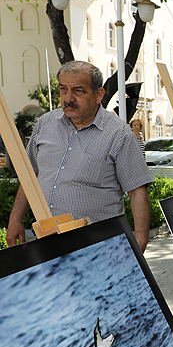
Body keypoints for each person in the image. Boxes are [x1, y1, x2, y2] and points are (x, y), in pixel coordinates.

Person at [5, 61, 152, 252]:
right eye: (63, 89)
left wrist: (140, 240)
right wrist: (15, 219)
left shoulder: (119, 134)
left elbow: (136, 191)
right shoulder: (45, 124)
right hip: (47, 243)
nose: (68, 98)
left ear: (98, 95)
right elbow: (29, 178)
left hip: (99, 247)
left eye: (78, 91)